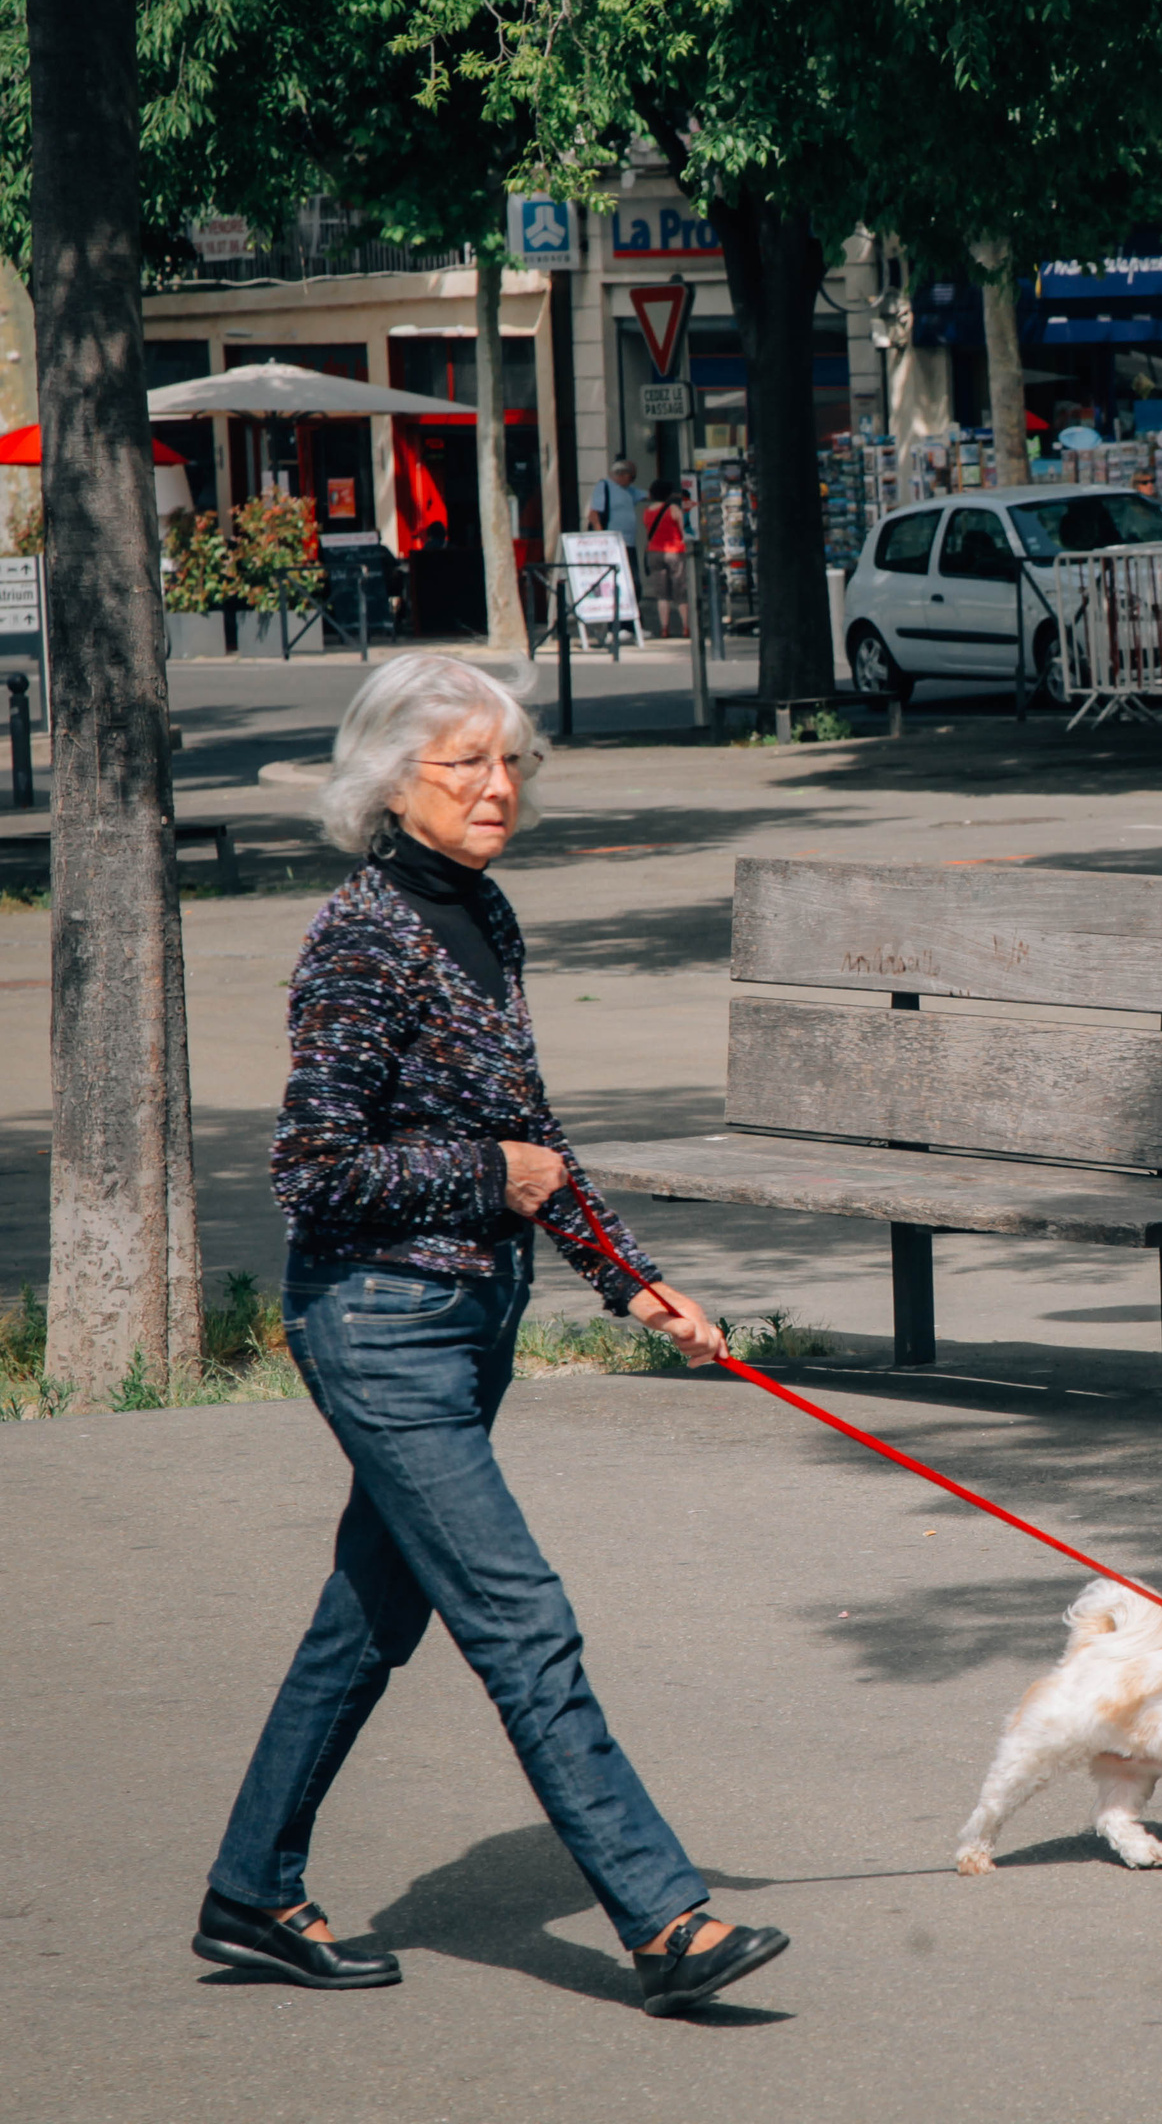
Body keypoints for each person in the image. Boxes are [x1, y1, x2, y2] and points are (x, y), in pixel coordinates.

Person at [194, 654, 790, 2017]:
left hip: (469, 1324)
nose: (499, 786)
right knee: (523, 1619)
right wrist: (483, 1182)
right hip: (381, 1323)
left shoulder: (484, 913)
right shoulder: (363, 933)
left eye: (510, 761)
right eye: (467, 764)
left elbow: (537, 1139)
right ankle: (665, 1920)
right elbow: (311, 1170)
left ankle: (250, 1889)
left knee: (366, 1624)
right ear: (390, 779)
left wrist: (632, 1280)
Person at [586, 457, 644, 597]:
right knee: (616, 577)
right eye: (631, 477)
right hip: (613, 543)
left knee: (633, 580)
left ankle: (631, 611)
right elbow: (594, 514)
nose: (631, 481)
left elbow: (649, 495)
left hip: (628, 542)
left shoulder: (630, 490)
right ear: (621, 475)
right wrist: (602, 537)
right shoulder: (604, 486)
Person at [640, 478, 690, 640]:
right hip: (674, 552)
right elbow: (684, 531)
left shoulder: (647, 511)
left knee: (662, 594)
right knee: (680, 592)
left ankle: (664, 628)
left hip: (654, 552)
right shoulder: (673, 509)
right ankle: (686, 627)